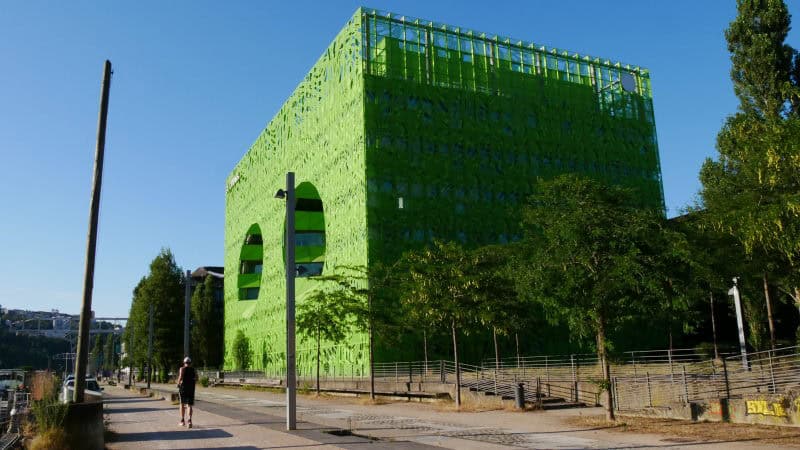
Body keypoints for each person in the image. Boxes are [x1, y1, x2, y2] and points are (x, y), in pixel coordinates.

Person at [177, 356, 196, 428]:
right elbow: (196, 378)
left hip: (183, 388)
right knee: (189, 405)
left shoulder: (182, 369)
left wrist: (178, 384)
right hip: (191, 388)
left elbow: (180, 377)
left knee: (182, 403)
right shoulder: (193, 369)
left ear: (184, 363)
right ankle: (189, 421)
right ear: (190, 363)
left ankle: (182, 421)